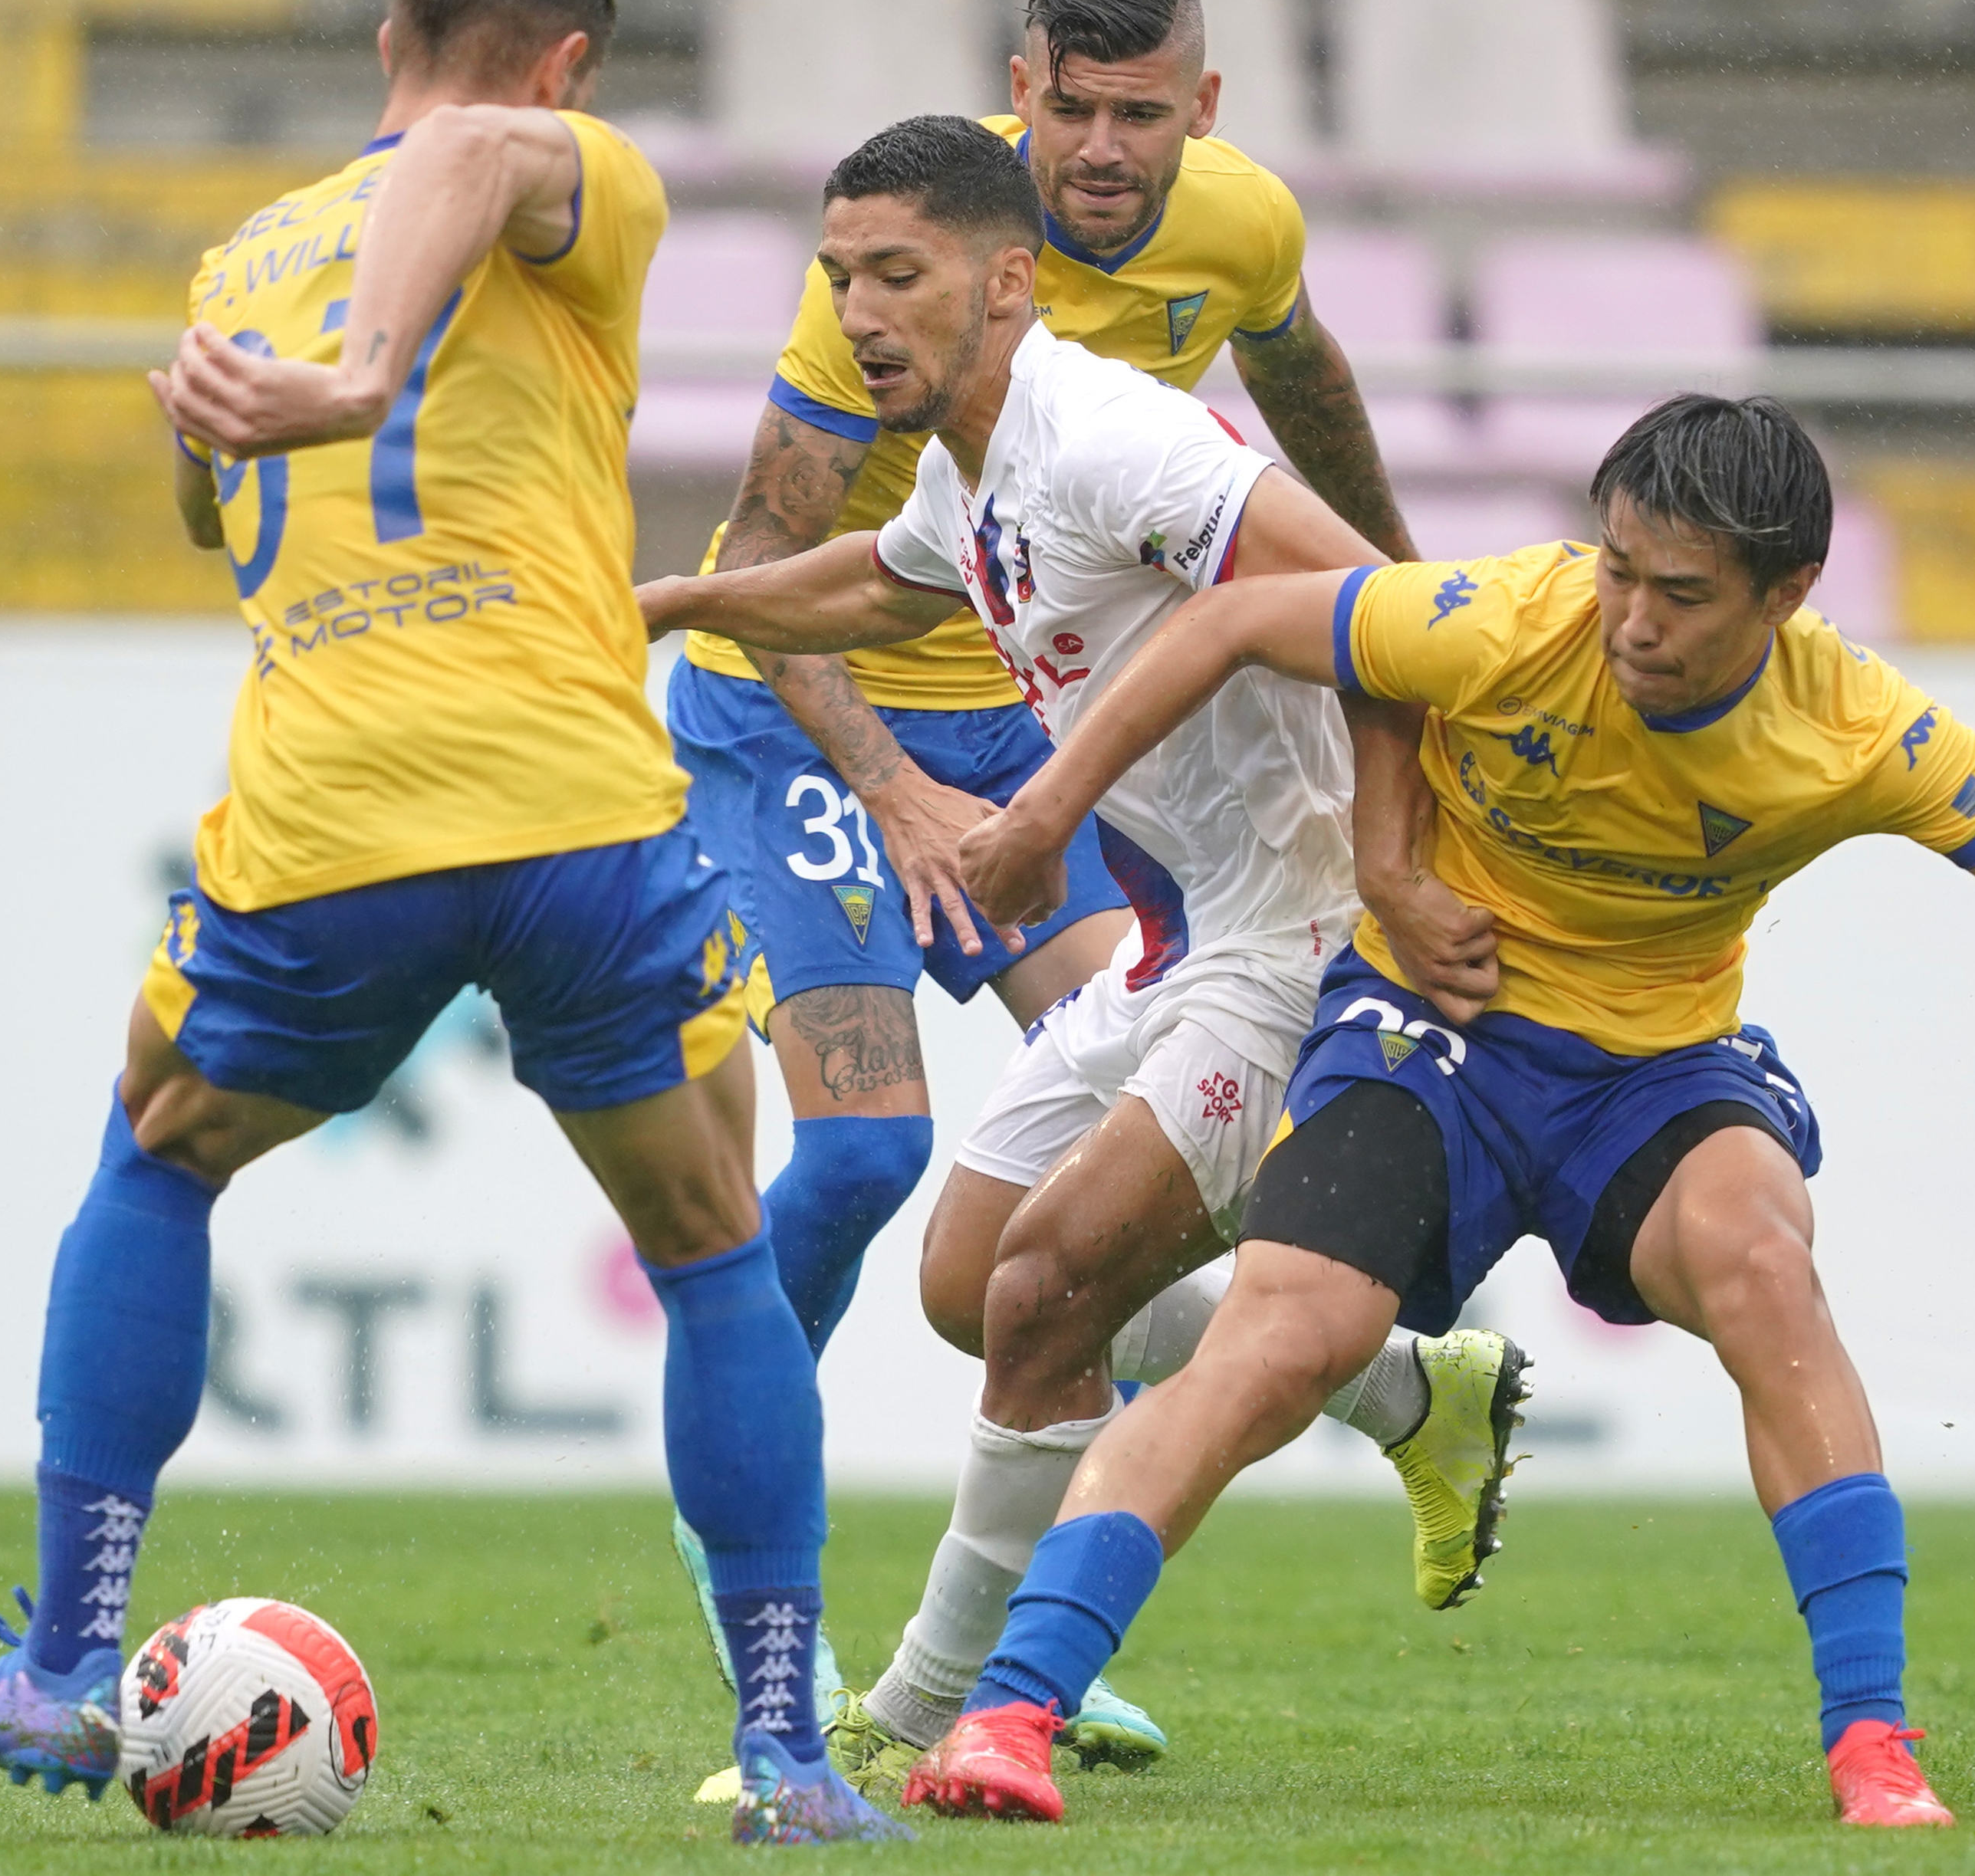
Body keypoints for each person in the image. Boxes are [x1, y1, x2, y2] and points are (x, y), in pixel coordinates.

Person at [912, 393, 1975, 1828]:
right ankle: (1011, 1715)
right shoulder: (1509, 614)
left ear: (1782, 598)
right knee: (1280, 1334)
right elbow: (1249, 621)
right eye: (1619, 569)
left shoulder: (1854, 726)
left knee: (1761, 1266)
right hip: (1420, 1037)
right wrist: (1066, 810)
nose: (1631, 621)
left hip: (1647, 1073)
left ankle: (1871, 1742)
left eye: (1680, 593)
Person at [0, 0, 909, 1848]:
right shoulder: (573, 163)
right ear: (567, 59)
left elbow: (205, 480)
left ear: (380, 35)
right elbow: (482, 150)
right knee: (710, 1254)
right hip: (575, 803)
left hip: (332, 812)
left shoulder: (247, 254)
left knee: (157, 1154)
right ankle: (782, 1755)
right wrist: (356, 384)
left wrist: (288, 398)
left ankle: (72, 1668)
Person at [638, 115, 1527, 1805]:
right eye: (839, 280)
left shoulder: (1116, 441)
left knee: (1046, 1294)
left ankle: (909, 1712)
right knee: (971, 1283)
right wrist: (676, 607)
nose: (861, 314)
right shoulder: (973, 466)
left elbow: (1387, 618)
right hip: (1185, 941)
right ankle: (1419, 1393)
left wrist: (1394, 869)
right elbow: (889, 592)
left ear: (1008, 277)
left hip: (1300, 945)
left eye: (896, 274)